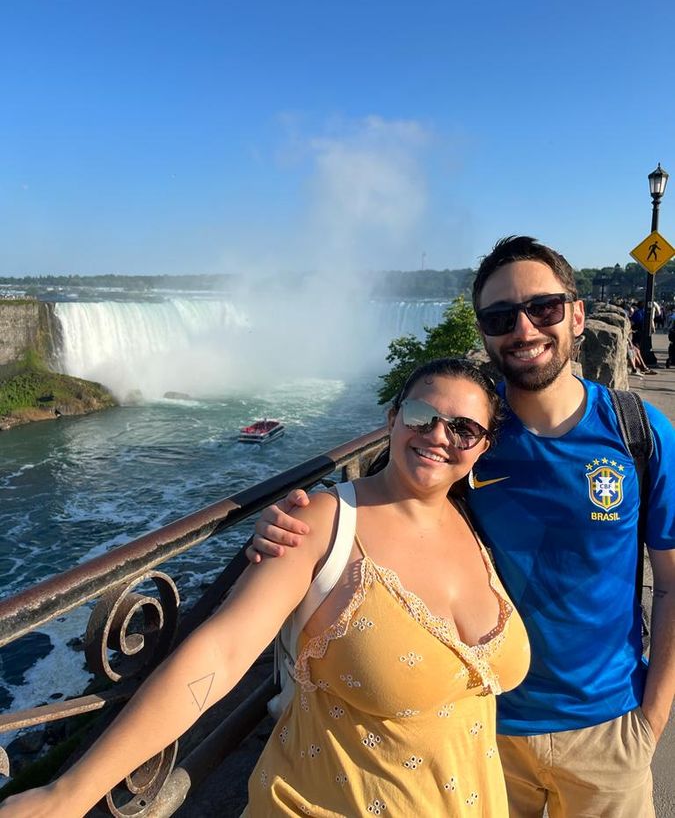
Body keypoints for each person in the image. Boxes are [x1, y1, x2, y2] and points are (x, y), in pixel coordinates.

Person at [250, 237, 675, 818]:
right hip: (479, 725)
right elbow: (370, 509)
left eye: (543, 308)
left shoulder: (638, 433)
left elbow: (671, 582)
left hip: (608, 729)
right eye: (500, 317)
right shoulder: (465, 436)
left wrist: (652, 719)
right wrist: (289, 530)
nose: (523, 329)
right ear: (484, 333)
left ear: (578, 314)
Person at [0, 358, 530, 818]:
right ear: (392, 420)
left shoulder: (473, 523)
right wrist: (70, 791)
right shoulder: (320, 526)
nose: (439, 436)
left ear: (482, 448)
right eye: (422, 416)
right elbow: (222, 653)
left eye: (463, 429)